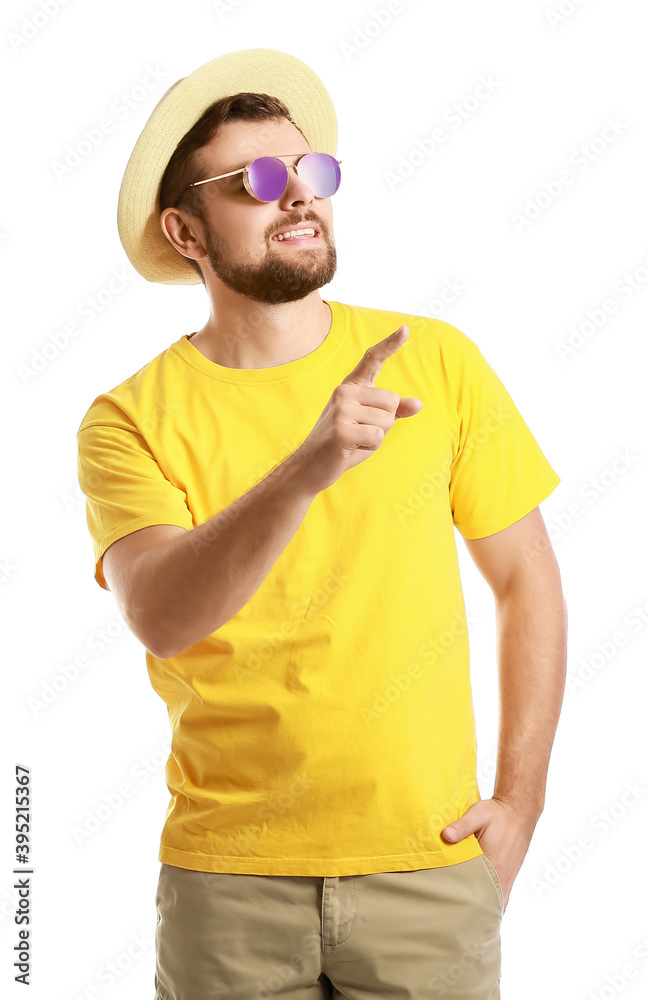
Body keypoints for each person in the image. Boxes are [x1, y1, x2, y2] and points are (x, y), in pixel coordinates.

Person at [76, 47, 567, 1000]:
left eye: (311, 173)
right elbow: (163, 614)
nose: (298, 196)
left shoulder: (439, 361)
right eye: (257, 180)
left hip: (430, 866)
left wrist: (523, 801)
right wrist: (309, 467)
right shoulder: (129, 418)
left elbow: (527, 580)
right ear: (186, 231)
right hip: (227, 887)